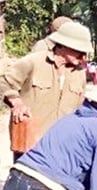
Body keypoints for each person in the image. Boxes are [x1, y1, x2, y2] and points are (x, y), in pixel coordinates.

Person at [0, 21, 92, 160]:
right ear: (63, 45)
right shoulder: (33, 62)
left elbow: (79, 109)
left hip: (62, 146)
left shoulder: (79, 73)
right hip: (30, 145)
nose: (83, 57)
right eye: (79, 52)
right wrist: (16, 102)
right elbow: (4, 82)